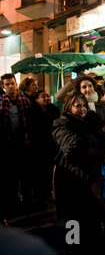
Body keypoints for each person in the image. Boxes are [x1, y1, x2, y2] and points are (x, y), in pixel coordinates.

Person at [52, 91, 105, 252]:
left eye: (83, 105)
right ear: (69, 107)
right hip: (72, 181)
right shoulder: (62, 123)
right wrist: (100, 153)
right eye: (77, 106)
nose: (81, 109)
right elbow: (72, 147)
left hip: (93, 180)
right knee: (73, 224)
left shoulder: (90, 122)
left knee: (92, 225)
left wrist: (103, 150)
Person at [0, 73, 32, 224]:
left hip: (23, 143)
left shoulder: (25, 101)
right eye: (7, 84)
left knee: (25, 174)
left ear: (16, 83)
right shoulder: (0, 102)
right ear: (3, 86)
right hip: (6, 143)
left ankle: (26, 201)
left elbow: (30, 123)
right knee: (9, 175)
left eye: (12, 83)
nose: (10, 86)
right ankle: (12, 200)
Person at [25, 90, 60, 205]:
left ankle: (48, 193)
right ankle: (39, 195)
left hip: (50, 145)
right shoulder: (32, 111)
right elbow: (30, 128)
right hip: (37, 146)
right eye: (43, 97)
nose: (46, 98)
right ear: (37, 99)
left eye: (47, 96)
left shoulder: (54, 110)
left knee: (49, 171)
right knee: (38, 171)